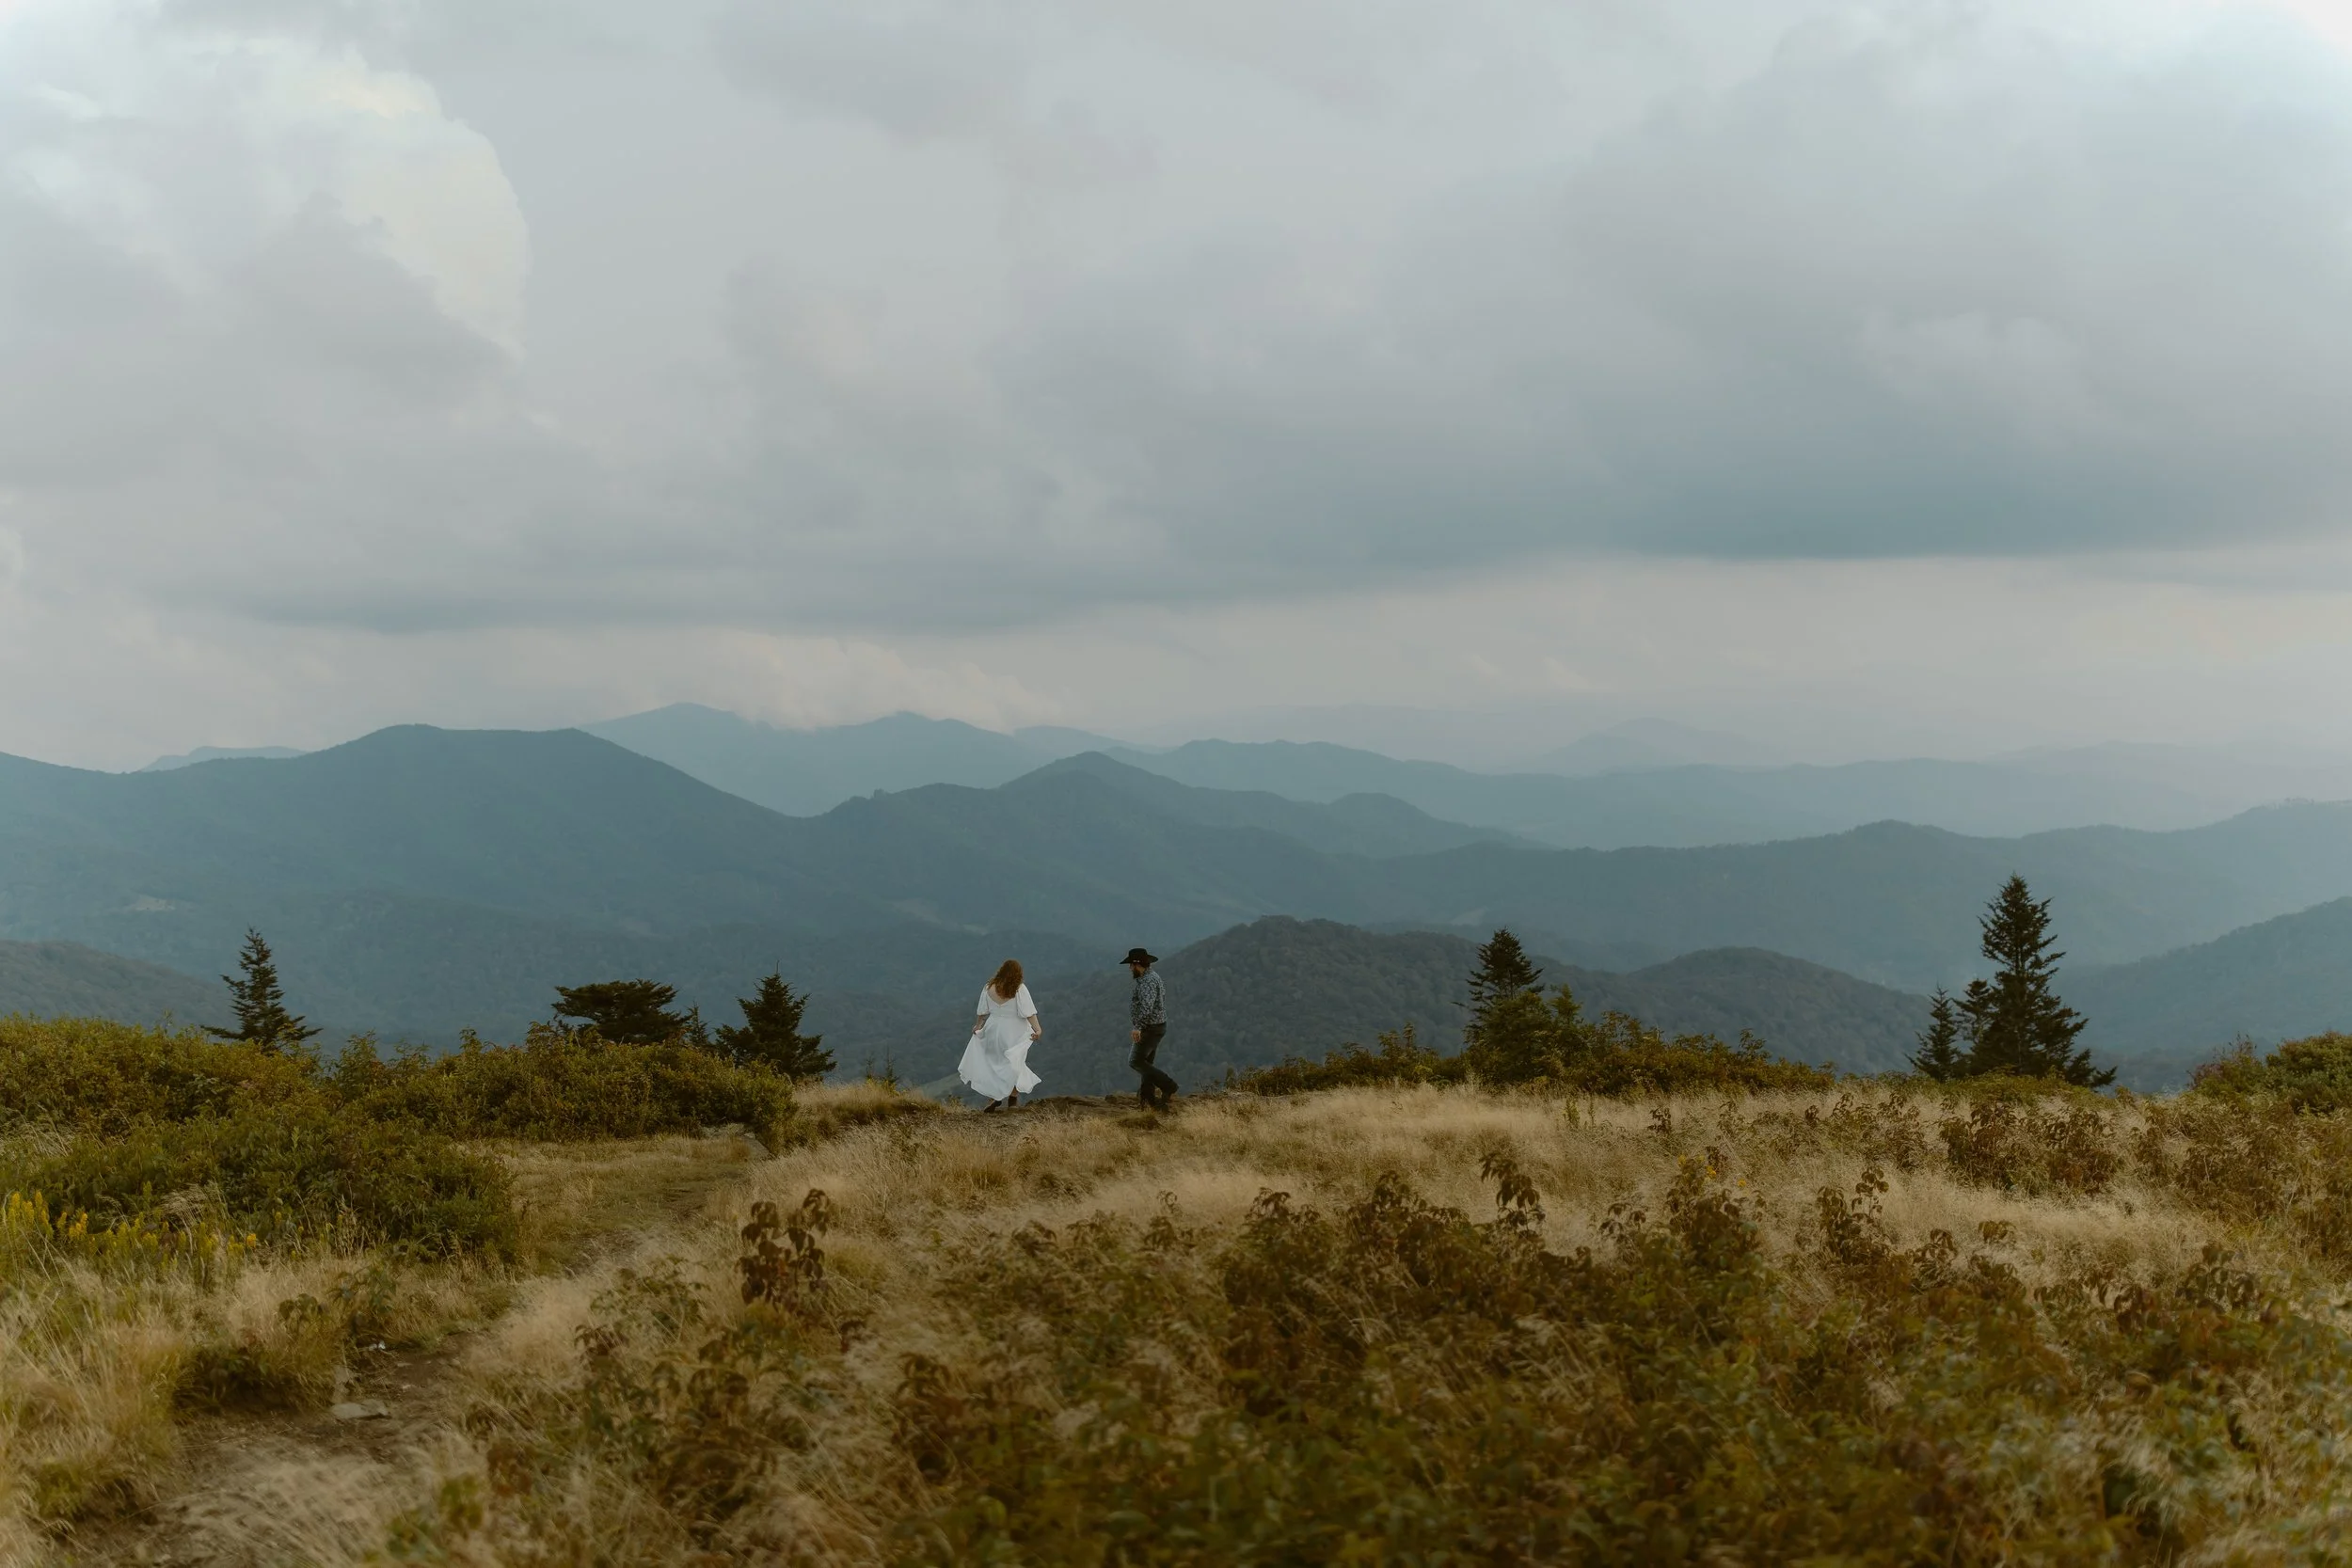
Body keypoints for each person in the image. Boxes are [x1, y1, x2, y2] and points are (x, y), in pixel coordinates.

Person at [960, 959, 1041, 1111]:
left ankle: (994, 1098)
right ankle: (1013, 1100)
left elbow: (982, 1011)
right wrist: (1037, 1029)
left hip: (993, 1028)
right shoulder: (1019, 989)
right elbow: (1029, 1012)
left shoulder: (989, 987)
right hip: (1014, 1030)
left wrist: (978, 1026)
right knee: (1014, 1064)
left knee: (995, 1065)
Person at [1124, 947, 1176, 1112]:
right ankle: (1147, 1101)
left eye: (1131, 965)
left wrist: (1138, 1027)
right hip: (1157, 1026)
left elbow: (1147, 1007)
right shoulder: (1152, 978)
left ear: (1136, 965)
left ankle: (1168, 1085)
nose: (1130, 968)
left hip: (1150, 1027)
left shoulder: (1147, 982)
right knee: (1146, 1064)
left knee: (1135, 1061)